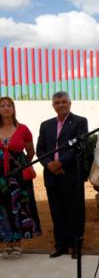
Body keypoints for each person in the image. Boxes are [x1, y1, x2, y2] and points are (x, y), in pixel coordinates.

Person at [36, 91, 88, 259]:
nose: (61, 105)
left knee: (75, 211)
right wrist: (50, 164)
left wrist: (60, 162)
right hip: (51, 176)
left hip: (71, 174)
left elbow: (80, 145)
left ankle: (76, 245)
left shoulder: (80, 121)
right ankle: (61, 245)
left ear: (70, 103)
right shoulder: (46, 124)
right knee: (57, 212)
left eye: (64, 102)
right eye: (57, 102)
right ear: (53, 105)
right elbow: (40, 149)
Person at [0, 97, 41, 259]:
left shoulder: (23, 129)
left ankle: (18, 244)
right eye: (2, 105)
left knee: (19, 207)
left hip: (18, 176)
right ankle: (6, 242)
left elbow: (31, 152)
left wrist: (20, 166)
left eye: (9, 105)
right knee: (2, 208)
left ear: (13, 108)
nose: (6, 108)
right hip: (0, 177)